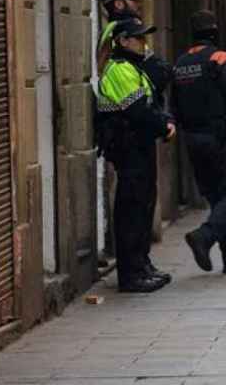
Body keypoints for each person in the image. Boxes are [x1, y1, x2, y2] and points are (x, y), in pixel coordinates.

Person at [95, 18, 177, 293]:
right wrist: (163, 124)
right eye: (138, 38)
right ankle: (130, 274)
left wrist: (163, 120)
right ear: (122, 41)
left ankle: (142, 265)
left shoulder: (133, 67)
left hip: (139, 145)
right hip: (127, 147)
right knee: (131, 209)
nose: (144, 43)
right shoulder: (119, 70)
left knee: (143, 205)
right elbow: (138, 111)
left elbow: (154, 97)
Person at [173, 10, 226, 275]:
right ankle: (204, 236)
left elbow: (174, 105)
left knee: (217, 197)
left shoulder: (181, 64)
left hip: (192, 140)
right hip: (220, 138)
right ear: (214, 32)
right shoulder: (219, 58)